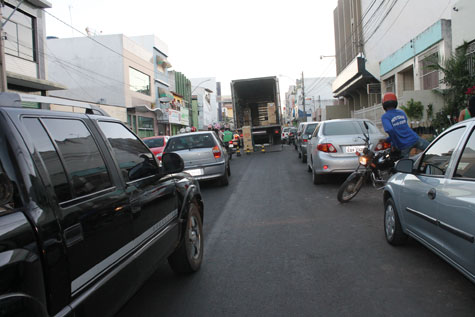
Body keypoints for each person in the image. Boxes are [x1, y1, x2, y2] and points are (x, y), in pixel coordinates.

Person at [381, 92, 429, 158]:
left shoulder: (385, 117)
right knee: (431, 149)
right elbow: (401, 128)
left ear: (384, 105)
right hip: (414, 138)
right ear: (395, 103)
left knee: (405, 165)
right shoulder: (401, 113)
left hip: (403, 145)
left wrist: (393, 144)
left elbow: (391, 130)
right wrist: (388, 140)